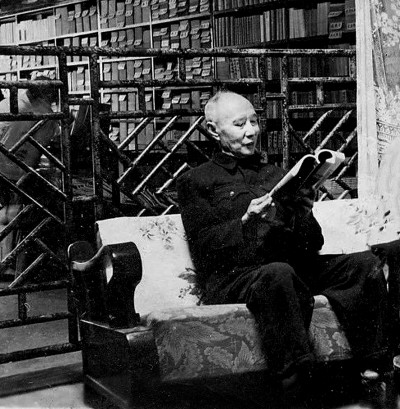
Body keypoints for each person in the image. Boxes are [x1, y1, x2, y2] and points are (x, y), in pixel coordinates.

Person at [176, 90, 399, 404]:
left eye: (254, 121)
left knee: (363, 264)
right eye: (239, 124)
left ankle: (374, 368)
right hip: (238, 276)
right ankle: (296, 385)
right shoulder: (196, 181)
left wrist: (303, 213)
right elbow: (204, 247)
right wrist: (245, 222)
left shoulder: (276, 175)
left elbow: (314, 243)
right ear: (214, 130)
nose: (251, 131)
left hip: (291, 269)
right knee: (278, 273)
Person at [0, 76, 60, 275]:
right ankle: (11, 264)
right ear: (47, 95)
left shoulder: (8, 102)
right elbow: (34, 156)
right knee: (33, 208)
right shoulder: (45, 114)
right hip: (12, 172)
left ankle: (7, 263)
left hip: (4, 169)